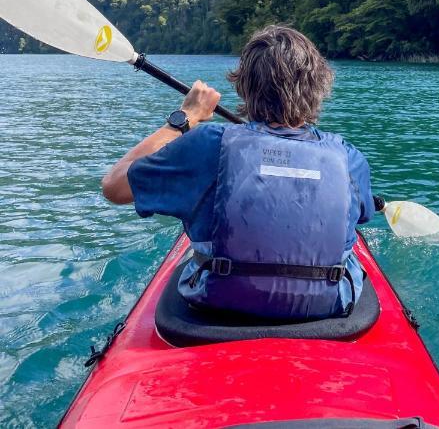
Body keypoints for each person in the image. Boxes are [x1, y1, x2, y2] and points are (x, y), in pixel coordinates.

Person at [101, 25, 376, 319]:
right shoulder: (348, 158)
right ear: (319, 86)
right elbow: (362, 214)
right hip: (327, 308)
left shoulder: (208, 146)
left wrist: (186, 118)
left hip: (219, 306)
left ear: (244, 87)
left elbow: (114, 185)